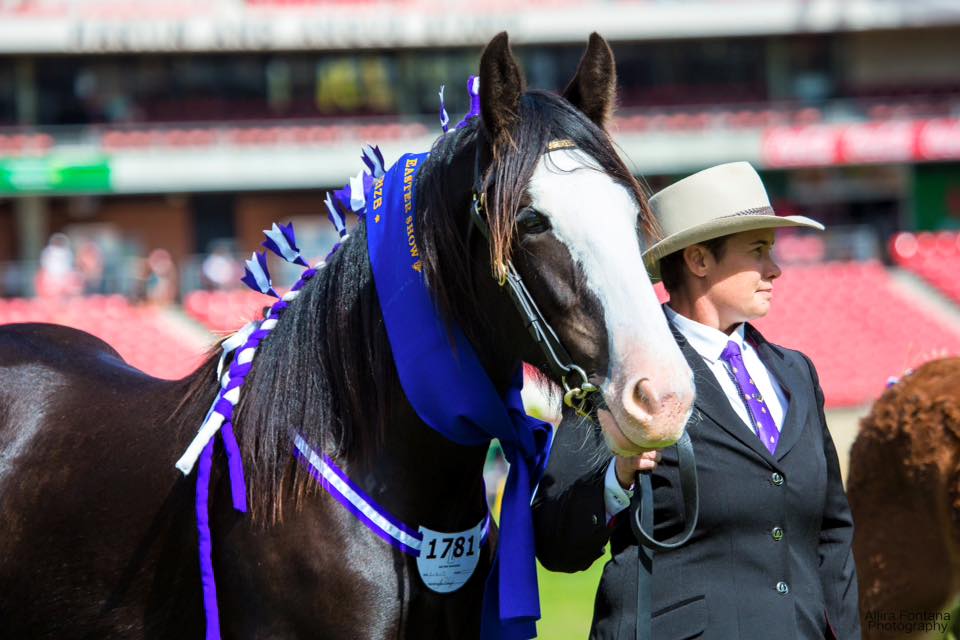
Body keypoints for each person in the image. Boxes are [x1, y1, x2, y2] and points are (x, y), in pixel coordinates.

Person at [533, 162, 860, 639]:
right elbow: (556, 543)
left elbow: (832, 531)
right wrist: (616, 478)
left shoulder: (798, 373)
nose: (775, 269)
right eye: (758, 251)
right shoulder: (618, 372)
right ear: (699, 260)